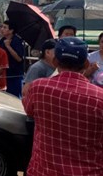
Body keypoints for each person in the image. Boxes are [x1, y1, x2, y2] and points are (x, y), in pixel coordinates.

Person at [22, 37, 103, 176]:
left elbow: (28, 109)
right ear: (86, 63)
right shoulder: (99, 97)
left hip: (43, 171)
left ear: (55, 61)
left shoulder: (39, 88)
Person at [0, 20, 25, 98]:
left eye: (5, 27)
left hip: (15, 74)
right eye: (2, 27)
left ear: (11, 30)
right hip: (5, 73)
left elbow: (19, 58)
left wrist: (8, 46)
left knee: (14, 97)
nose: (2, 29)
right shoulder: (2, 40)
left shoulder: (17, 41)